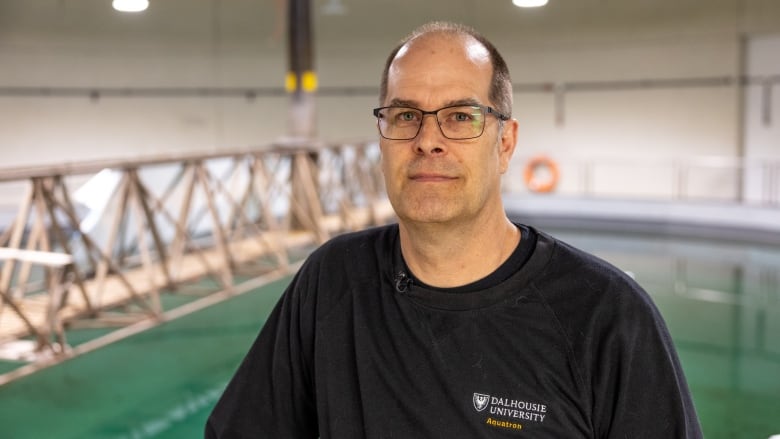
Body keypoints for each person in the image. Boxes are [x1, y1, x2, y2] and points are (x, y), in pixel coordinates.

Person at [205, 21, 703, 438]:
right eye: (405, 116)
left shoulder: (606, 315)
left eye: (460, 117)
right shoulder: (334, 281)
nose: (427, 141)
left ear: (505, 143)